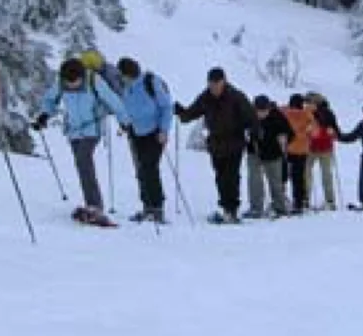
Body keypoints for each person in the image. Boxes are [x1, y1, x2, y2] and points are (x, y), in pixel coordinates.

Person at [34, 55, 127, 228]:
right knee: (81, 164)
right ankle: (90, 204)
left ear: (82, 76)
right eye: (68, 84)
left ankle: (95, 206)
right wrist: (44, 116)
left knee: (84, 160)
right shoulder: (62, 82)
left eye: (75, 82)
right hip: (73, 131)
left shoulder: (94, 80)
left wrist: (124, 121)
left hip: (92, 128)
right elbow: (50, 99)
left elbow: (113, 100)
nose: (71, 86)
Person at [174, 67, 257, 224]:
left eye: (216, 84)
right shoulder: (205, 97)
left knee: (231, 176)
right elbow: (192, 112)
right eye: (211, 84)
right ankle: (226, 208)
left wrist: (254, 131)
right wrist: (181, 112)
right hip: (216, 144)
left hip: (234, 142)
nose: (213, 88)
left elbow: (250, 116)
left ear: (224, 82)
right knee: (220, 177)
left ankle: (231, 210)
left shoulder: (236, 96)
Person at [114, 57, 175, 224]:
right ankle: (147, 206)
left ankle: (157, 208)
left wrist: (164, 130)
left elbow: (166, 106)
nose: (120, 78)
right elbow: (128, 108)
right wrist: (124, 125)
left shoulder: (150, 82)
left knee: (150, 167)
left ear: (129, 73)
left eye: (122, 74)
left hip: (155, 133)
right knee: (141, 169)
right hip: (136, 133)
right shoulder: (127, 88)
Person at [246, 94, 294, 218]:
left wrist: (284, 137)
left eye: (264, 111)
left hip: (273, 154)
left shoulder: (277, 116)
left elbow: (290, 133)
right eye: (258, 111)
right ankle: (256, 208)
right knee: (254, 180)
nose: (261, 114)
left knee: (275, 182)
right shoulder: (249, 116)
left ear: (269, 108)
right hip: (254, 152)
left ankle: (280, 208)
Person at [305, 91, 341, 210]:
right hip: (310, 147)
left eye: (310, 102)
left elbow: (335, 129)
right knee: (306, 173)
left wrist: (331, 132)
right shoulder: (306, 113)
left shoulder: (327, 113)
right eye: (307, 102)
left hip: (324, 147)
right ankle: (305, 199)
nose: (307, 104)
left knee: (326, 174)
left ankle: (330, 201)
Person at [281, 93, 315, 211]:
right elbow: (313, 131)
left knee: (283, 176)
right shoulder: (307, 115)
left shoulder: (285, 112)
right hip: (302, 149)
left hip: (287, 149)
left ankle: (281, 200)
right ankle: (299, 202)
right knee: (298, 177)